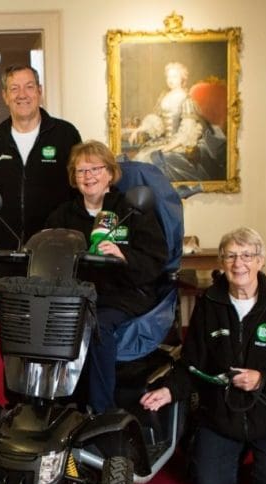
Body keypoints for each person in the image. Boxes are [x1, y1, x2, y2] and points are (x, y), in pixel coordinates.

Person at [139, 227, 266, 484]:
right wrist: (170, 390)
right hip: (221, 416)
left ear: (261, 261)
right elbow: (192, 362)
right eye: (231, 256)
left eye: (247, 255)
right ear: (221, 262)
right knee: (209, 483)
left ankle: (264, 451)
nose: (239, 264)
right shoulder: (209, 304)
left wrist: (263, 379)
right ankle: (229, 448)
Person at [43, 141, 168, 414]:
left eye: (95, 169)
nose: (88, 176)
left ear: (110, 173)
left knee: (96, 323)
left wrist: (124, 256)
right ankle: (54, 406)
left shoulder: (132, 210)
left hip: (124, 294)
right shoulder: (62, 215)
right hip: (77, 294)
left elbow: (155, 261)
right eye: (81, 171)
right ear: (73, 178)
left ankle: (101, 410)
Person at [0, 63, 81, 256]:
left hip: (56, 251)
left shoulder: (66, 135)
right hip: (7, 251)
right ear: (5, 96)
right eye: (14, 88)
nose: (22, 94)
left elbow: (79, 189)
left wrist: (62, 229)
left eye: (29, 87)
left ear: (39, 91)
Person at [127, 61, 225, 182]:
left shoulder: (186, 99)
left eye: (174, 76)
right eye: (168, 76)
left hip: (180, 144)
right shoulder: (164, 97)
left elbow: (188, 130)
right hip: (164, 141)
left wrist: (170, 146)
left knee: (154, 161)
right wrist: (139, 129)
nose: (170, 80)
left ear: (182, 78)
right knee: (141, 158)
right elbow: (156, 119)